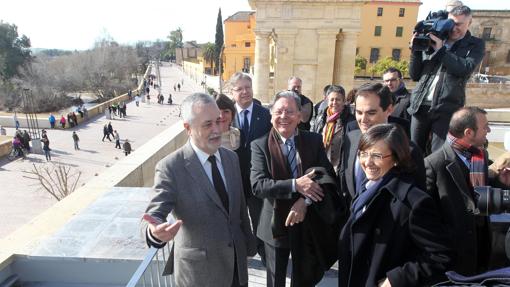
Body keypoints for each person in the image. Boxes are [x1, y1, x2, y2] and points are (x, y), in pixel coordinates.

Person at [140, 93, 256, 287]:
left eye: (218, 121)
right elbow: (153, 216)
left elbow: (239, 208)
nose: (217, 130)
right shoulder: (171, 167)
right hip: (199, 275)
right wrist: (155, 233)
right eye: (207, 124)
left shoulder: (231, 158)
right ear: (188, 128)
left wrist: (248, 244)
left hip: (237, 267)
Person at [339, 124, 453, 287]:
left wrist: (397, 278)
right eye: (363, 154)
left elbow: (441, 256)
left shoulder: (413, 202)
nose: (368, 162)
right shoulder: (366, 188)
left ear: (396, 158)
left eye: (377, 156)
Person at [251, 91, 343, 287]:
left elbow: (325, 175)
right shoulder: (259, 146)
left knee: (306, 277)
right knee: (275, 281)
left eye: (290, 112)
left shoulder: (313, 140)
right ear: (271, 115)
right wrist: (296, 185)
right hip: (274, 225)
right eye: (279, 111)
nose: (284, 117)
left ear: (300, 116)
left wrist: (305, 200)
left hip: (308, 222)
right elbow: (258, 185)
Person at [425, 107, 503, 276]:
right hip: (453, 259)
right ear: (469, 133)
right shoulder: (434, 164)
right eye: (485, 127)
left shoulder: (480, 156)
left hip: (481, 252)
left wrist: (501, 181)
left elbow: (485, 191)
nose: (489, 130)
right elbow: (425, 218)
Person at [408, 5, 485, 154]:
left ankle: (433, 178)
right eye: (451, 23)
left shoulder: (475, 44)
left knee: (439, 154)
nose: (454, 28)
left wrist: (441, 50)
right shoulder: (435, 37)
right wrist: (415, 50)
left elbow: (464, 68)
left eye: (459, 24)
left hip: (447, 108)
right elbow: (415, 75)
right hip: (420, 105)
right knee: (414, 152)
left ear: (469, 23)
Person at [340, 83, 426, 205]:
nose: (363, 120)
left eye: (371, 113)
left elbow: (415, 202)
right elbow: (345, 180)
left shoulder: (408, 150)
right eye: (359, 112)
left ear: (389, 110)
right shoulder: (351, 138)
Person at [230, 72, 272, 264]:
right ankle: (239, 254)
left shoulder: (265, 115)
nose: (245, 92)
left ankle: (264, 254)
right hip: (234, 180)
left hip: (258, 179)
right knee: (235, 221)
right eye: (240, 89)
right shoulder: (226, 116)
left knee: (260, 220)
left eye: (248, 87)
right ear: (232, 92)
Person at [310, 85, 355, 174]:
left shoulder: (351, 121)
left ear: (343, 101)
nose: (334, 102)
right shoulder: (320, 118)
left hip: (341, 169)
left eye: (338, 99)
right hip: (323, 168)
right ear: (327, 101)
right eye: (332, 99)